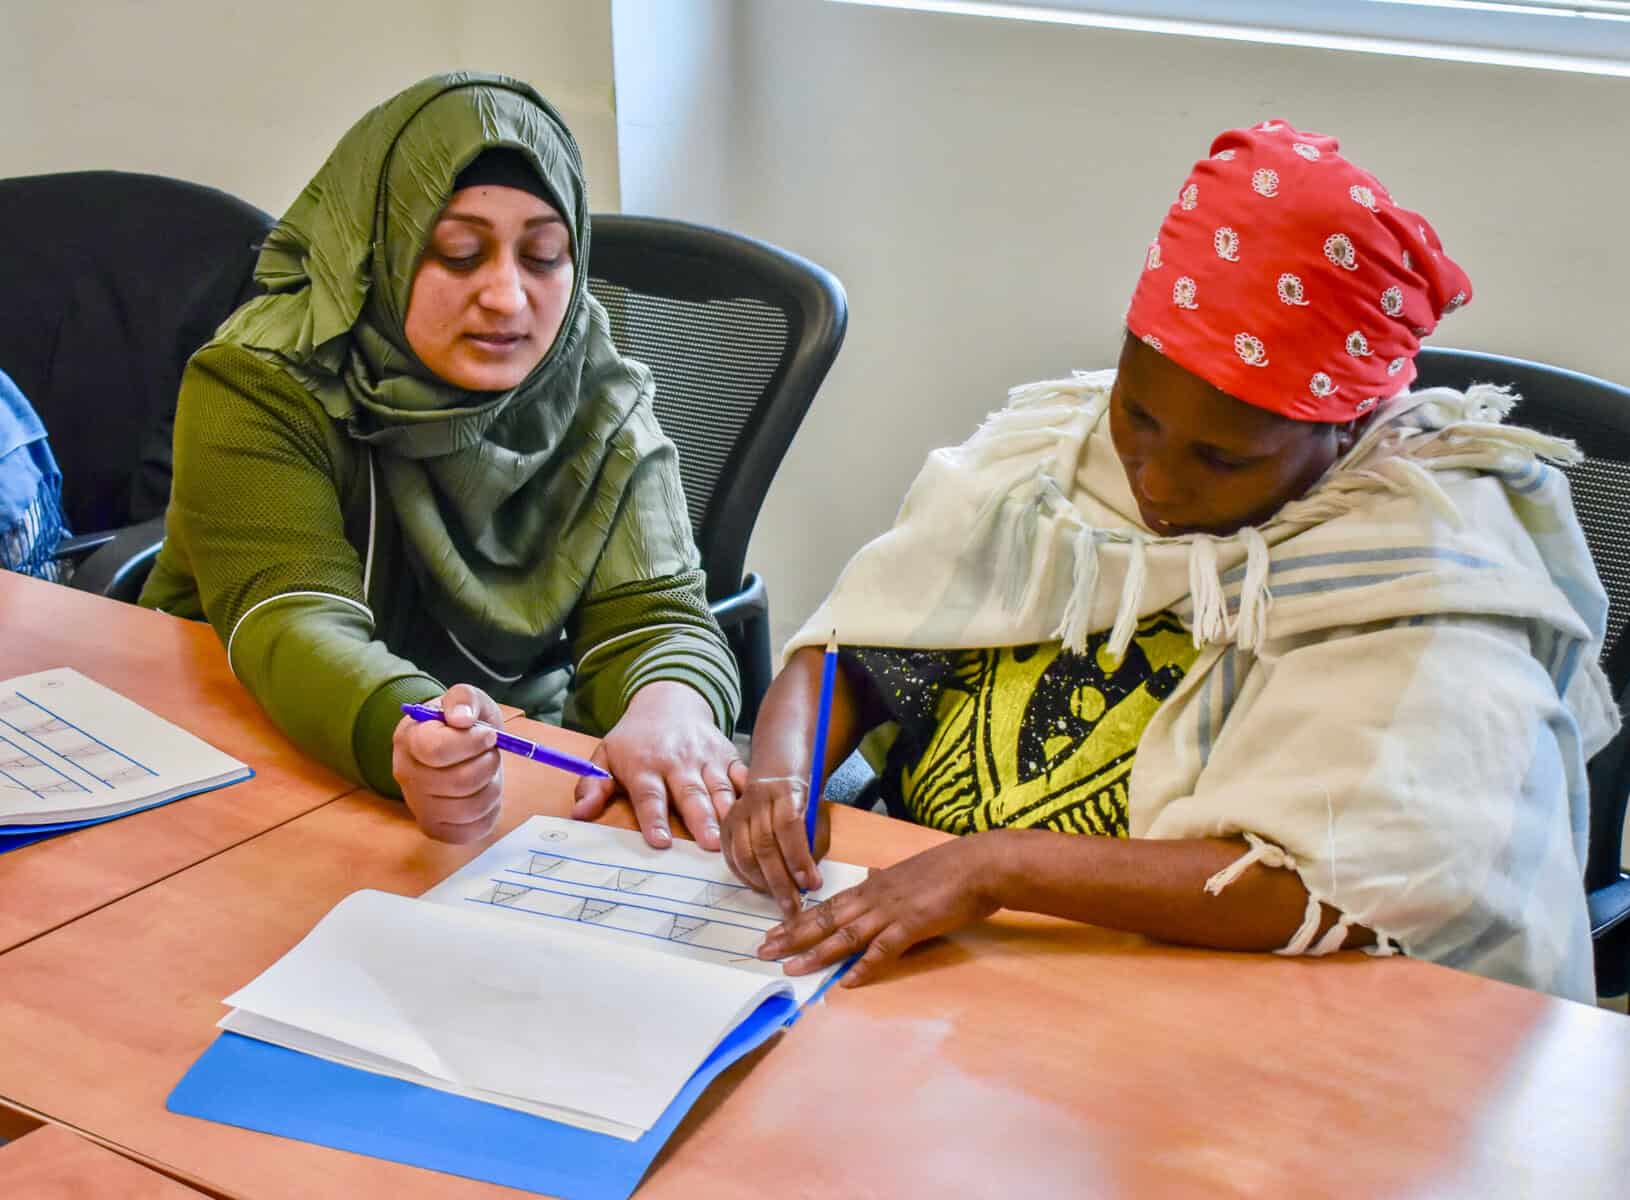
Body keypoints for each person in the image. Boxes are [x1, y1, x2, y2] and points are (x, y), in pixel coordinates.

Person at [724, 119, 1618, 1003]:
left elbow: (1338, 889)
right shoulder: (1051, 463)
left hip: (1235, 1001)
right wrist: (778, 775)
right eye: (1139, 417)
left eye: (1223, 460)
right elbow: (870, 647)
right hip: (953, 947)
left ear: (1342, 425)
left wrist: (999, 866)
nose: (1158, 480)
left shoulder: (1430, 570)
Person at [141, 73, 742, 849]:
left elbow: (658, 617)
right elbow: (290, 616)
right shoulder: (263, 378)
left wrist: (672, 704)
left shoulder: (589, 380)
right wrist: (413, 729)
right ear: (376, 249)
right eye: (458, 253)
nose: (507, 297)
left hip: (503, 775)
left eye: (544, 256)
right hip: (235, 760)